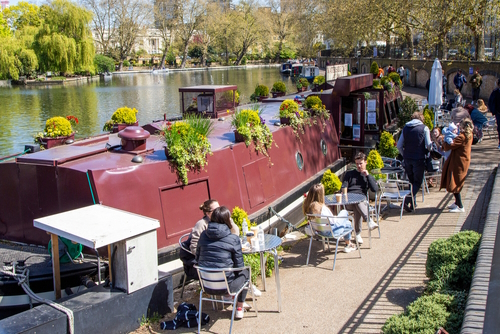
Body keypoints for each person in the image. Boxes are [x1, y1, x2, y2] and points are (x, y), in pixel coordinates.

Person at [196, 206, 249, 319]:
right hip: (226, 287)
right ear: (227, 220)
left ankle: (233, 300)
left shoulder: (203, 236)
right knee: (246, 272)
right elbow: (239, 267)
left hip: (206, 285)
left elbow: (197, 259)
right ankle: (239, 307)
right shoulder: (233, 238)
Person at [302, 183, 358, 252]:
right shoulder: (322, 208)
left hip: (319, 232)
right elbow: (333, 222)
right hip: (332, 231)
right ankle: (348, 245)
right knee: (344, 212)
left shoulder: (307, 207)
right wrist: (336, 217)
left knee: (347, 223)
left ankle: (348, 244)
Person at [397, 112, 432, 212]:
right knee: (417, 182)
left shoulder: (405, 128)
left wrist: (404, 154)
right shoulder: (424, 128)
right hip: (419, 158)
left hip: (407, 158)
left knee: (411, 182)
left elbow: (399, 145)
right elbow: (429, 145)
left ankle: (413, 204)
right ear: (421, 119)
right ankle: (406, 200)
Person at [341, 152, 379, 244]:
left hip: (361, 202)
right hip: (349, 201)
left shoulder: (367, 176)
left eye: (360, 163)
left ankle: (357, 234)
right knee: (356, 201)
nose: (358, 165)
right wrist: (345, 198)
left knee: (357, 203)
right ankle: (368, 222)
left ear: (365, 162)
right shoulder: (349, 174)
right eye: (357, 163)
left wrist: (368, 176)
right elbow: (344, 186)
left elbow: (375, 189)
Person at [440, 119, 473, 212]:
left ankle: (460, 206)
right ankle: (456, 203)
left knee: (455, 181)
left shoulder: (462, 137)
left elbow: (451, 145)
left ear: (463, 127)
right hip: (461, 160)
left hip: (458, 162)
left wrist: (443, 141)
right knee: (455, 180)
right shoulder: (469, 135)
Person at [487, 78, 500, 149]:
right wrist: (493, 111)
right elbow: (490, 102)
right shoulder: (495, 92)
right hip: (498, 113)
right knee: (499, 128)